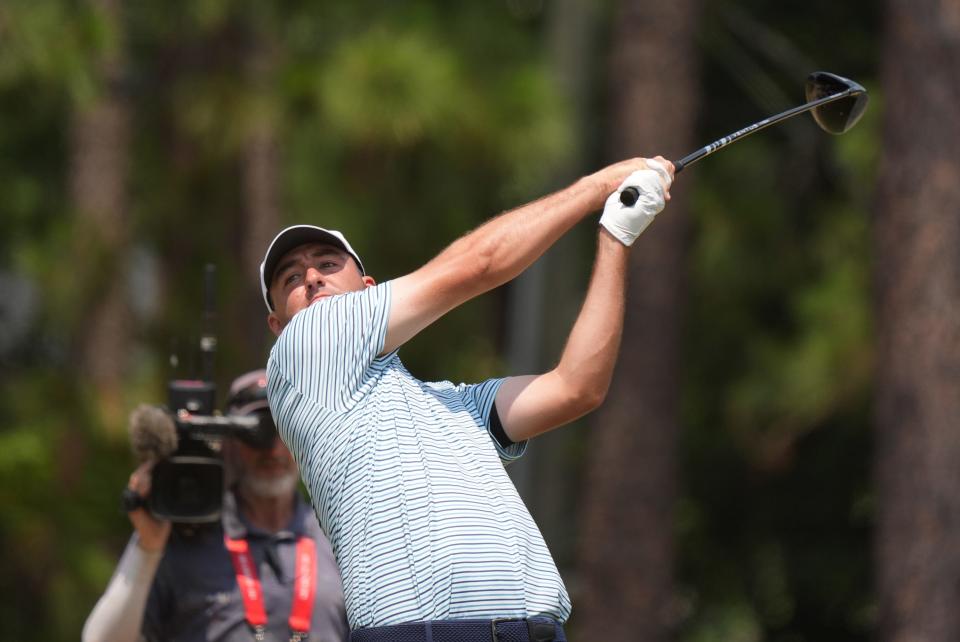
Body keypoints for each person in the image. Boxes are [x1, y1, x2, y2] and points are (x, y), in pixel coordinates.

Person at [260, 157, 674, 641]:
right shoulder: (304, 344)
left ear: (367, 289)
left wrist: (615, 236)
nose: (311, 279)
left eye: (328, 265)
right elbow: (480, 265)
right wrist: (599, 185)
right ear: (277, 326)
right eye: (290, 279)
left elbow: (576, 388)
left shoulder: (452, 404)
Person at [82, 369, 350, 642]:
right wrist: (148, 548)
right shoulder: (186, 534)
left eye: (286, 429)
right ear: (228, 442)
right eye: (256, 431)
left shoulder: (340, 540)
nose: (273, 449)